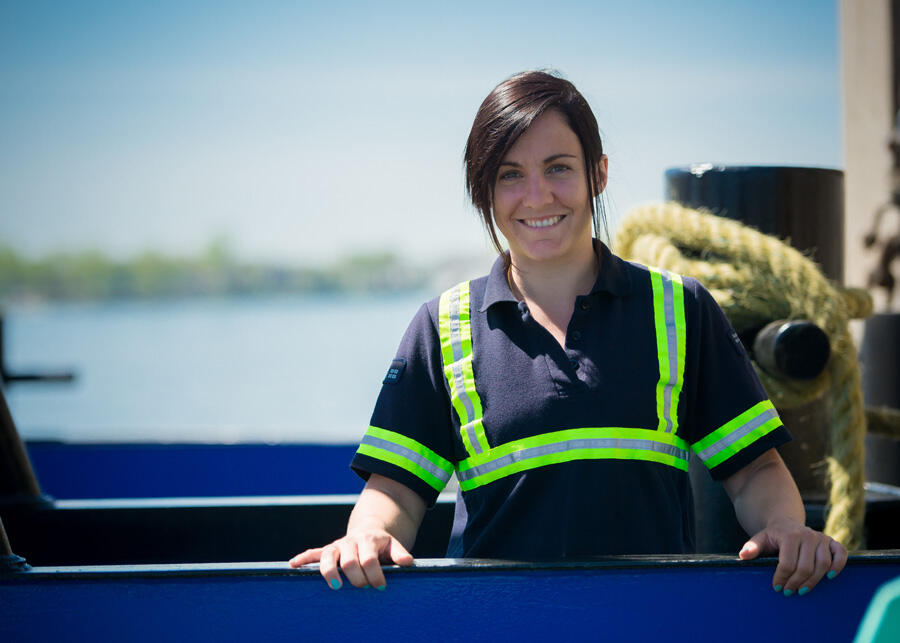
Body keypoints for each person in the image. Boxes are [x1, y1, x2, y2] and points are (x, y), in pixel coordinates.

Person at [290, 70, 847, 594]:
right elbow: (396, 491)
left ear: (597, 173)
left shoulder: (680, 309)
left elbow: (753, 470)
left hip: (655, 620)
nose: (537, 196)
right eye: (510, 174)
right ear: (483, 189)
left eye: (558, 167)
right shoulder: (443, 325)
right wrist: (367, 535)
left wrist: (786, 528)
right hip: (499, 624)